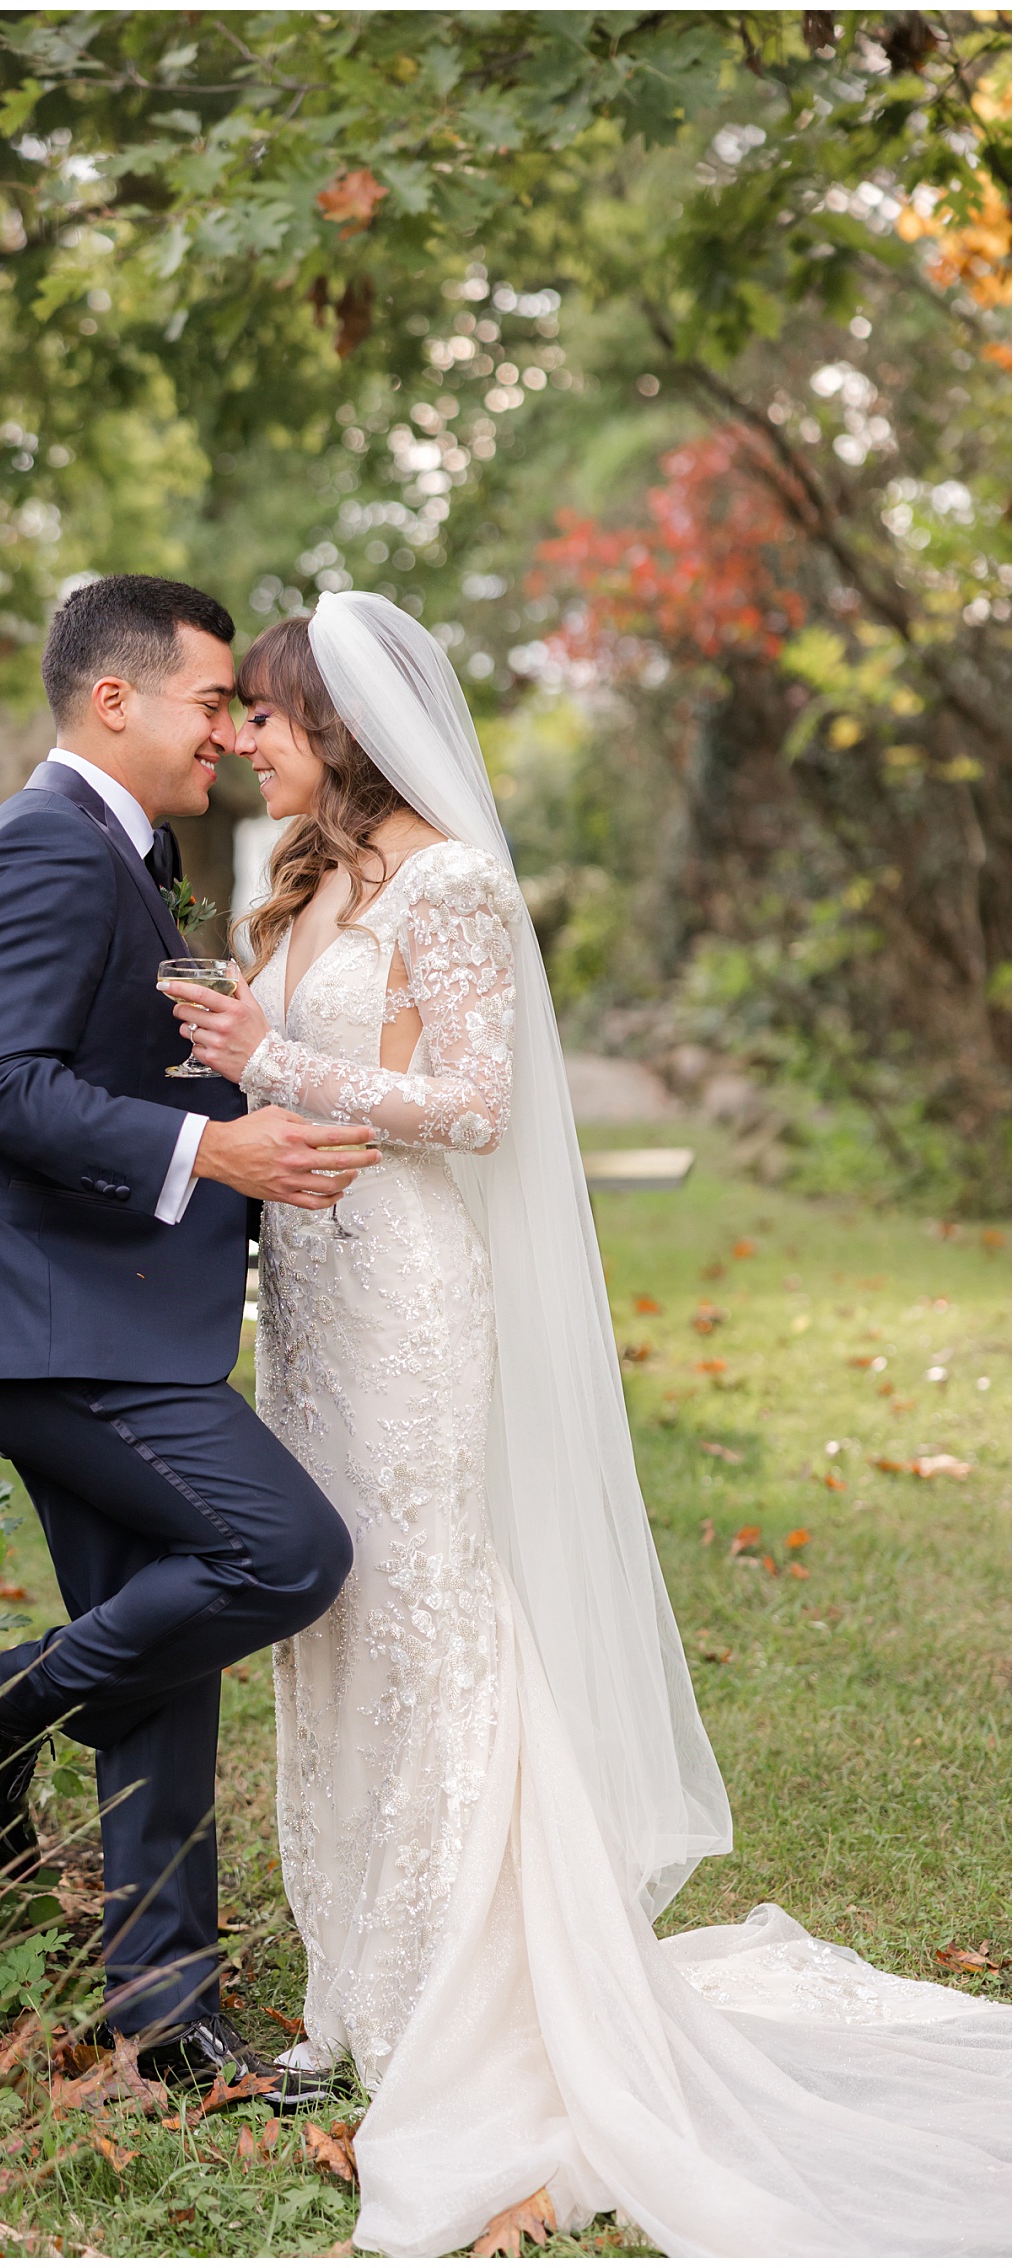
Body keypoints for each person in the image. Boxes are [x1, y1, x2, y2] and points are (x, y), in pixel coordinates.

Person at [162, 589, 1010, 2257]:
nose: (242, 738)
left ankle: (461, 2000)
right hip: (313, 1309)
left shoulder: (458, 885)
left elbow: (472, 1108)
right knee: (340, 1626)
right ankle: (362, 1982)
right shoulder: (317, 881)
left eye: (261, 712)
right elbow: (297, 1076)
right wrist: (238, 1061)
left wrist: (282, 1060)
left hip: (407, 1296)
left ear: (330, 726)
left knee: (432, 1616)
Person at [0, 574, 378, 2109]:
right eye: (212, 702)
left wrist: (233, 1097)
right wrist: (214, 1159)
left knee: (170, 1639)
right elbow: (0, 1087)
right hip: (45, 1330)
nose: (232, 732)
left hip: (105, 1316)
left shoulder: (120, 849)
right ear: (117, 701)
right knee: (283, 1554)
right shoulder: (47, 848)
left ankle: (165, 2012)